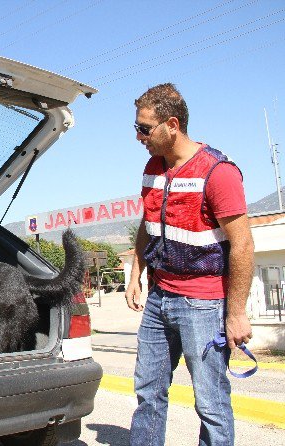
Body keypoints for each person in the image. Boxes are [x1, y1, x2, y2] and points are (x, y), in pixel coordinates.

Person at [125, 83, 254, 446]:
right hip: (158, 299)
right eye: (136, 128)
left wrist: (236, 313)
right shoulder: (152, 167)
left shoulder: (219, 172)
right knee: (148, 395)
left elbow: (242, 244)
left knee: (211, 404)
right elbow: (147, 225)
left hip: (204, 303)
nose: (138, 137)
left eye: (144, 128)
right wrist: (136, 275)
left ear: (172, 125)